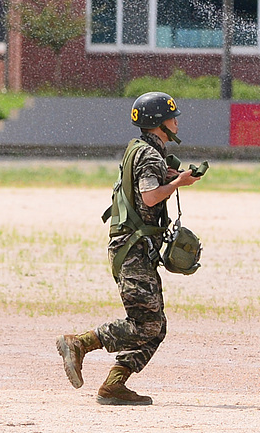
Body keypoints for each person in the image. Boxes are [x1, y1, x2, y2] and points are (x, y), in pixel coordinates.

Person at [56, 91, 201, 405]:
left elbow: (142, 186)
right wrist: (178, 183)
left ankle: (114, 385)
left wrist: (170, 175)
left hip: (135, 248)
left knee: (155, 326)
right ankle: (78, 343)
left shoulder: (141, 149)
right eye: (171, 117)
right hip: (131, 248)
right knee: (144, 323)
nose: (176, 122)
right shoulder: (150, 155)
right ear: (158, 123)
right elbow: (149, 196)